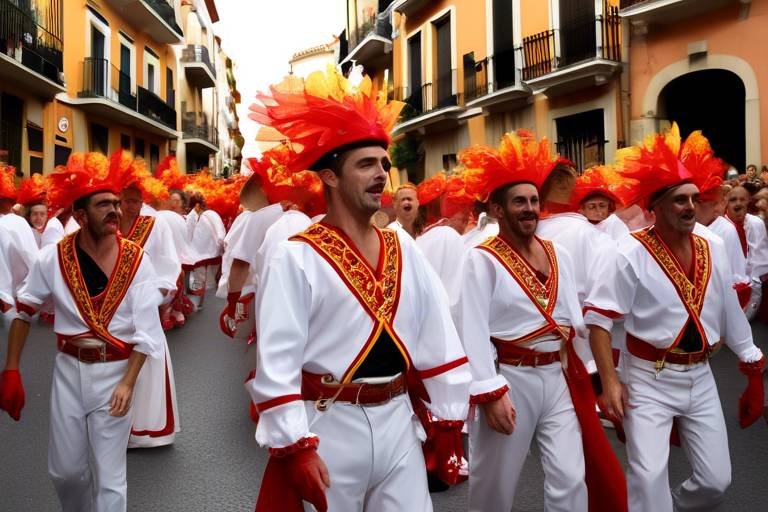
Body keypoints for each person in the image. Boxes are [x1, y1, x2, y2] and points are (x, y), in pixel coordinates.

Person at [248, 67, 471, 512]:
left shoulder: (403, 245)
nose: (381, 175)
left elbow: (436, 331)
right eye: (366, 164)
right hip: (331, 427)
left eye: (384, 165)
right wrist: (297, 446)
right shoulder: (296, 255)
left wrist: (449, 418)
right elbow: (277, 360)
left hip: (398, 422)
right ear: (329, 178)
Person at [585, 124, 766, 512]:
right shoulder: (627, 253)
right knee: (647, 477)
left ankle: (667, 506)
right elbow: (598, 320)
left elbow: (729, 310)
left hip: (701, 376)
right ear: (656, 208)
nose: (689, 207)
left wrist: (752, 364)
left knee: (716, 481)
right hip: (649, 378)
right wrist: (611, 382)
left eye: (692, 198)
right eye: (678, 200)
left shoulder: (713, 245)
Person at [456, 131, 625, 512]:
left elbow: (572, 323)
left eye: (534, 200)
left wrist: (596, 376)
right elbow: (473, 330)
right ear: (498, 210)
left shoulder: (557, 251)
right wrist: (489, 391)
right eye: (519, 202)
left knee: (570, 478)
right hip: (511, 379)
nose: (530, 208)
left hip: (558, 377)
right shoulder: (481, 258)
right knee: (494, 486)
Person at [0, 152, 165, 512]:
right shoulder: (53, 258)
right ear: (79, 215)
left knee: (110, 479)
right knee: (66, 473)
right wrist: (11, 368)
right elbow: (25, 310)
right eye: (103, 204)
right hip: (68, 373)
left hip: (116, 374)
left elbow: (148, 333)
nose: (115, 211)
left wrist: (128, 382)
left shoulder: (138, 260)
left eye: (116, 204)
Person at [112, 151, 181, 449]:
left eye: (134, 200)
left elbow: (169, 266)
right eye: (123, 200)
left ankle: (146, 430)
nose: (128, 206)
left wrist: (153, 297)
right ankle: (115, 426)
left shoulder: (156, 225)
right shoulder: (107, 224)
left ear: (143, 200)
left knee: (146, 362)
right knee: (113, 367)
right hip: (110, 309)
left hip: (142, 304)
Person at [726, 183, 768, 318]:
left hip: (753, 287)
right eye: (733, 199)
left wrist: (753, 284)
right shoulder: (720, 227)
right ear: (726, 202)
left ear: (749, 201)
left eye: (742, 199)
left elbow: (760, 258)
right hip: (728, 289)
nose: (738, 203)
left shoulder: (756, 224)